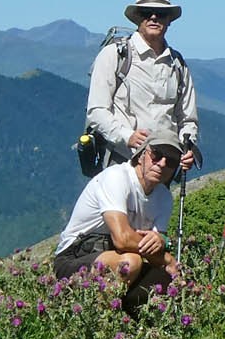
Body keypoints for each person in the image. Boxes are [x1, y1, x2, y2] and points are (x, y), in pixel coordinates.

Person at [53, 132, 182, 310]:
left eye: (172, 161)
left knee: (167, 284)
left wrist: (162, 243)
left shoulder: (164, 198)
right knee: (130, 263)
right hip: (75, 257)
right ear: (142, 154)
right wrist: (167, 259)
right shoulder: (116, 177)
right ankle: (96, 319)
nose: (162, 164)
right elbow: (122, 239)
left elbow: (154, 249)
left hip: (114, 258)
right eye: (157, 155)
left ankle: (127, 320)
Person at [86, 0, 199, 174]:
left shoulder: (178, 64)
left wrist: (188, 146)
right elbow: (97, 111)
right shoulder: (114, 55)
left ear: (169, 19)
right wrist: (127, 136)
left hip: (164, 165)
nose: (154, 17)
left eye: (161, 13)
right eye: (147, 12)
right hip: (122, 161)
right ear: (138, 17)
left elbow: (187, 118)